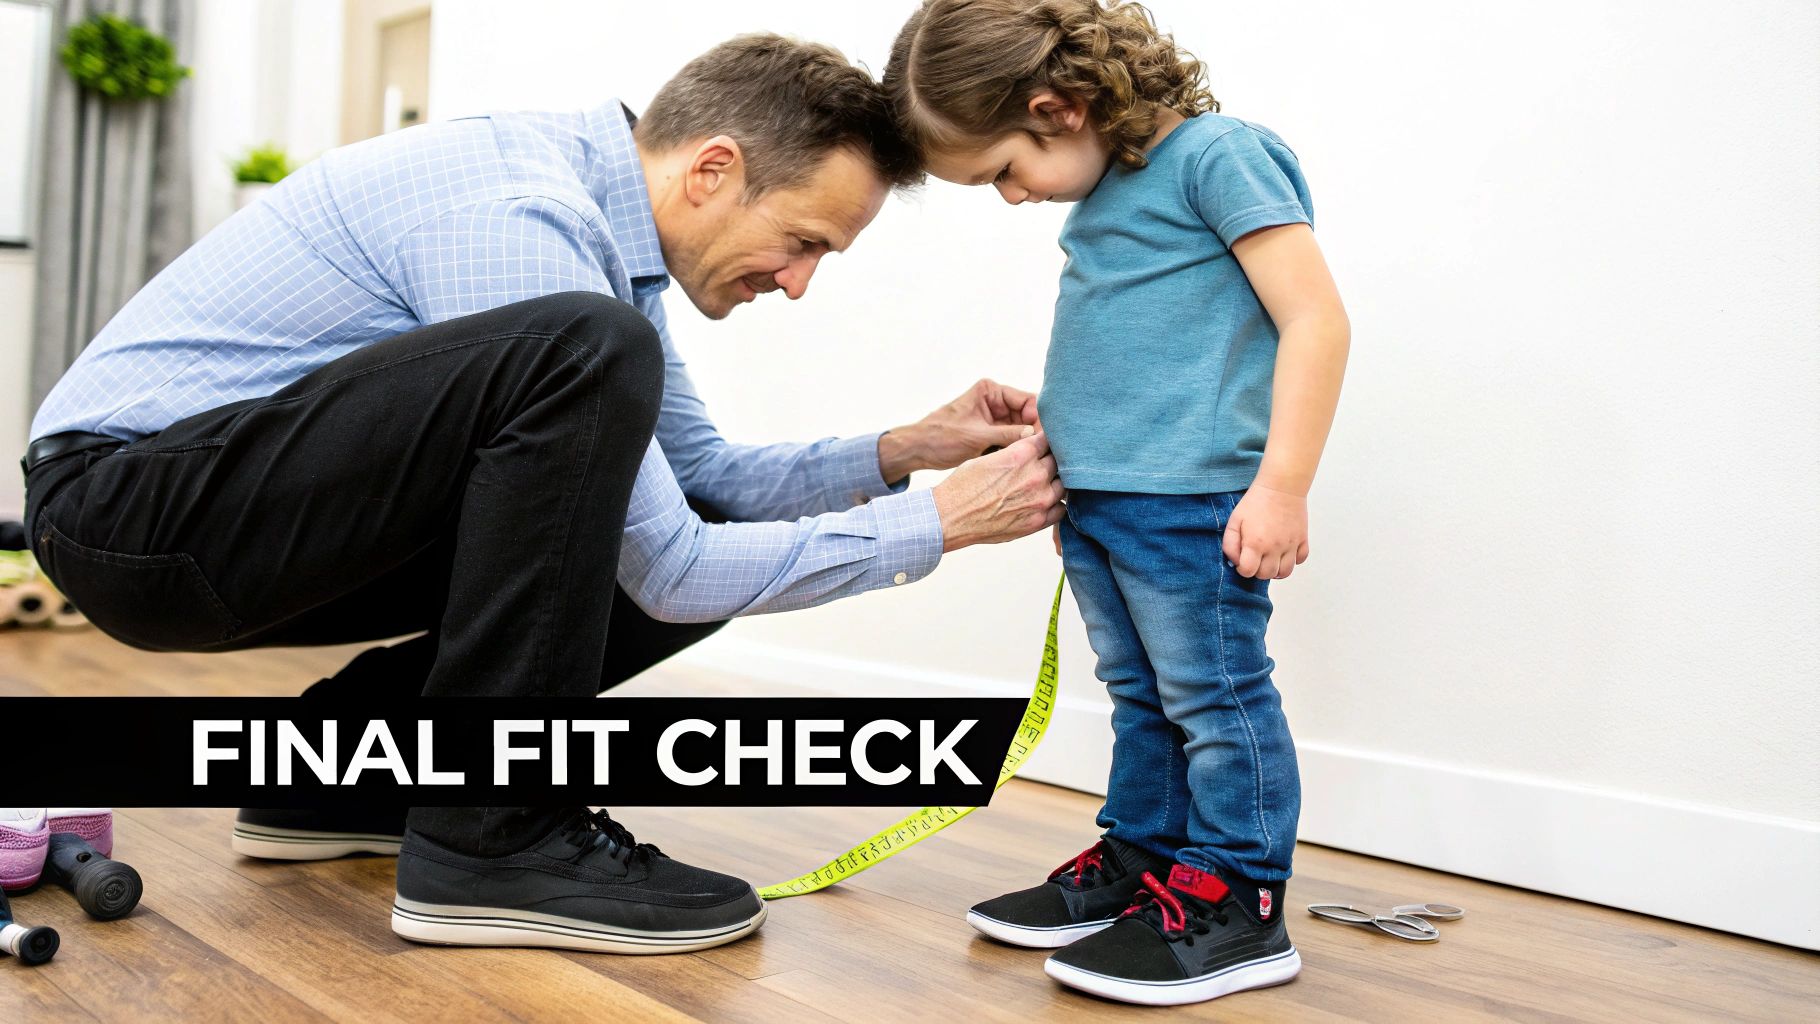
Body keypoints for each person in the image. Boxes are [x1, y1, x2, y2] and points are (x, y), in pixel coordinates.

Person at [21, 33, 1064, 955]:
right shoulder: (522, 214)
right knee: (593, 362)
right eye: (803, 242)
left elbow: (705, 485)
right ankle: (496, 833)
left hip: (211, 513)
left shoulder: (597, 244)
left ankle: (340, 778)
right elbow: (670, 571)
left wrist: (904, 450)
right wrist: (939, 524)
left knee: (666, 476)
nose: (797, 283)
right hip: (131, 515)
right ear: (713, 170)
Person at [885, 0, 1351, 1005]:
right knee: (1142, 696)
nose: (1011, 195)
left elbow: (1315, 320)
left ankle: (1241, 902)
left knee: (1215, 700)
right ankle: (1148, 860)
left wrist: (1282, 485)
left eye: (1004, 170)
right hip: (1101, 505)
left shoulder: (1220, 156)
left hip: (1192, 504)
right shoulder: (1105, 189)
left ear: (1058, 108)